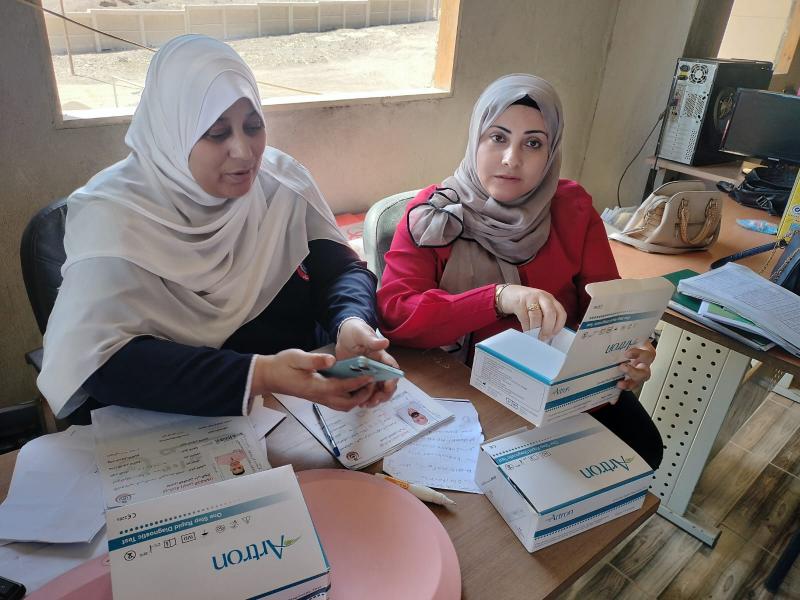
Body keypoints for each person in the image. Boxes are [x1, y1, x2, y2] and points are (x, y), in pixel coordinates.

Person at [38, 35, 397, 422]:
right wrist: (259, 375)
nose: (244, 152)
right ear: (173, 132)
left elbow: (339, 270)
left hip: (293, 414)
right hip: (165, 428)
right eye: (217, 132)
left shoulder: (281, 186)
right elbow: (99, 364)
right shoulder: (113, 217)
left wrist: (351, 321)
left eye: (253, 126)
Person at [376, 74, 663, 469]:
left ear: (552, 151)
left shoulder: (572, 208)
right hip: (463, 387)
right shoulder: (434, 214)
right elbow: (396, 314)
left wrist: (630, 349)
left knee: (642, 451)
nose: (511, 158)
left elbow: (605, 310)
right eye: (497, 137)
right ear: (475, 139)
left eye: (533, 143)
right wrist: (498, 298)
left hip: (555, 389)